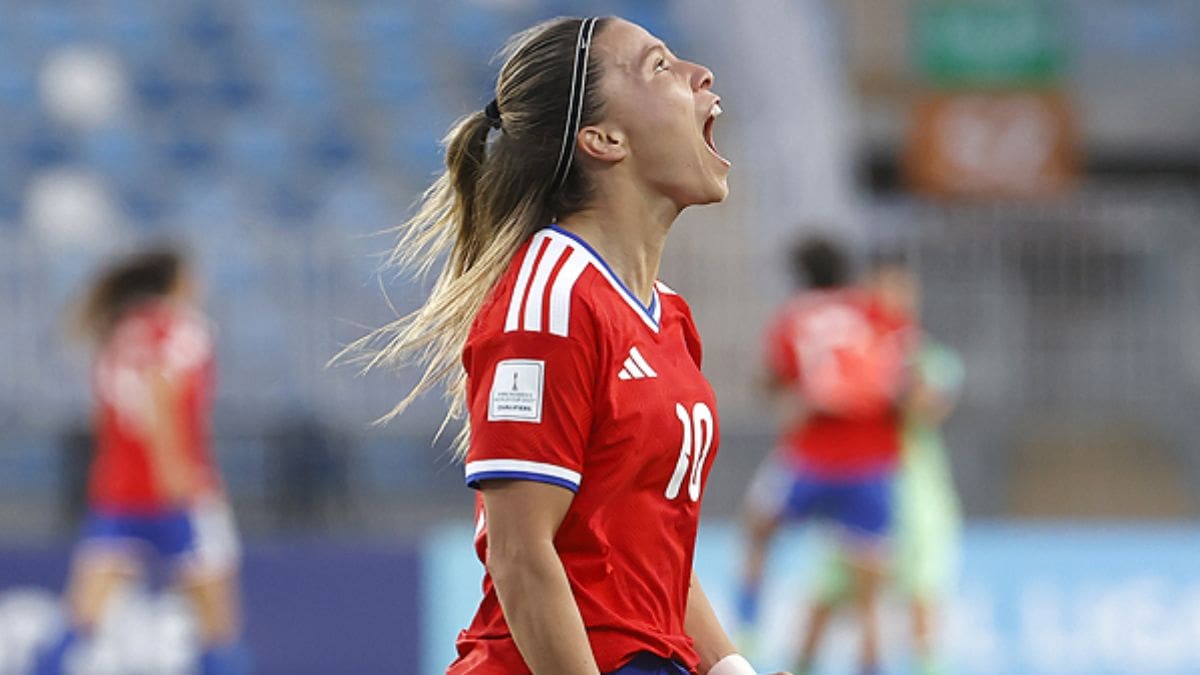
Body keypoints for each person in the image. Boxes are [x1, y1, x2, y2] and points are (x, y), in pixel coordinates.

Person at [351, 15, 786, 675]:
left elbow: (649, 559)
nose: (703, 76)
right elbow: (521, 555)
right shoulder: (550, 299)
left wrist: (729, 667)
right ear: (602, 138)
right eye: (660, 66)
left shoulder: (667, 313)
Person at [33, 248, 248, 675]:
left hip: (119, 491)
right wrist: (172, 465)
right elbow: (161, 390)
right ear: (177, 282)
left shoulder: (118, 330)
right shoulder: (183, 329)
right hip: (179, 493)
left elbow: (105, 413)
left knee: (83, 617)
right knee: (218, 625)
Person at [735, 238, 913, 675]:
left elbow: (774, 379)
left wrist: (790, 396)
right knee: (869, 597)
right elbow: (903, 380)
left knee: (757, 530)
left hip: (812, 457)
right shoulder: (876, 312)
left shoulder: (796, 316)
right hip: (873, 463)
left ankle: (748, 624)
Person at [805, 258, 964, 675]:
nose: (894, 301)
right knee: (831, 595)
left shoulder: (924, 354)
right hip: (859, 480)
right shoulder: (850, 347)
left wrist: (886, 378)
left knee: (920, 596)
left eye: (902, 292)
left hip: (914, 497)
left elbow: (928, 405)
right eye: (884, 291)